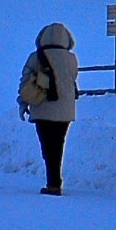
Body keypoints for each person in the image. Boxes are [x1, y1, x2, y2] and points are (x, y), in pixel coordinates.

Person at [18, 23, 79, 194]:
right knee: (58, 144)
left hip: (43, 107)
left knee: (47, 146)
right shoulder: (72, 58)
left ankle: (53, 182)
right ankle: (56, 181)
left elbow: (25, 82)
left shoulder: (36, 57)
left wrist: (23, 103)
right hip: (65, 109)